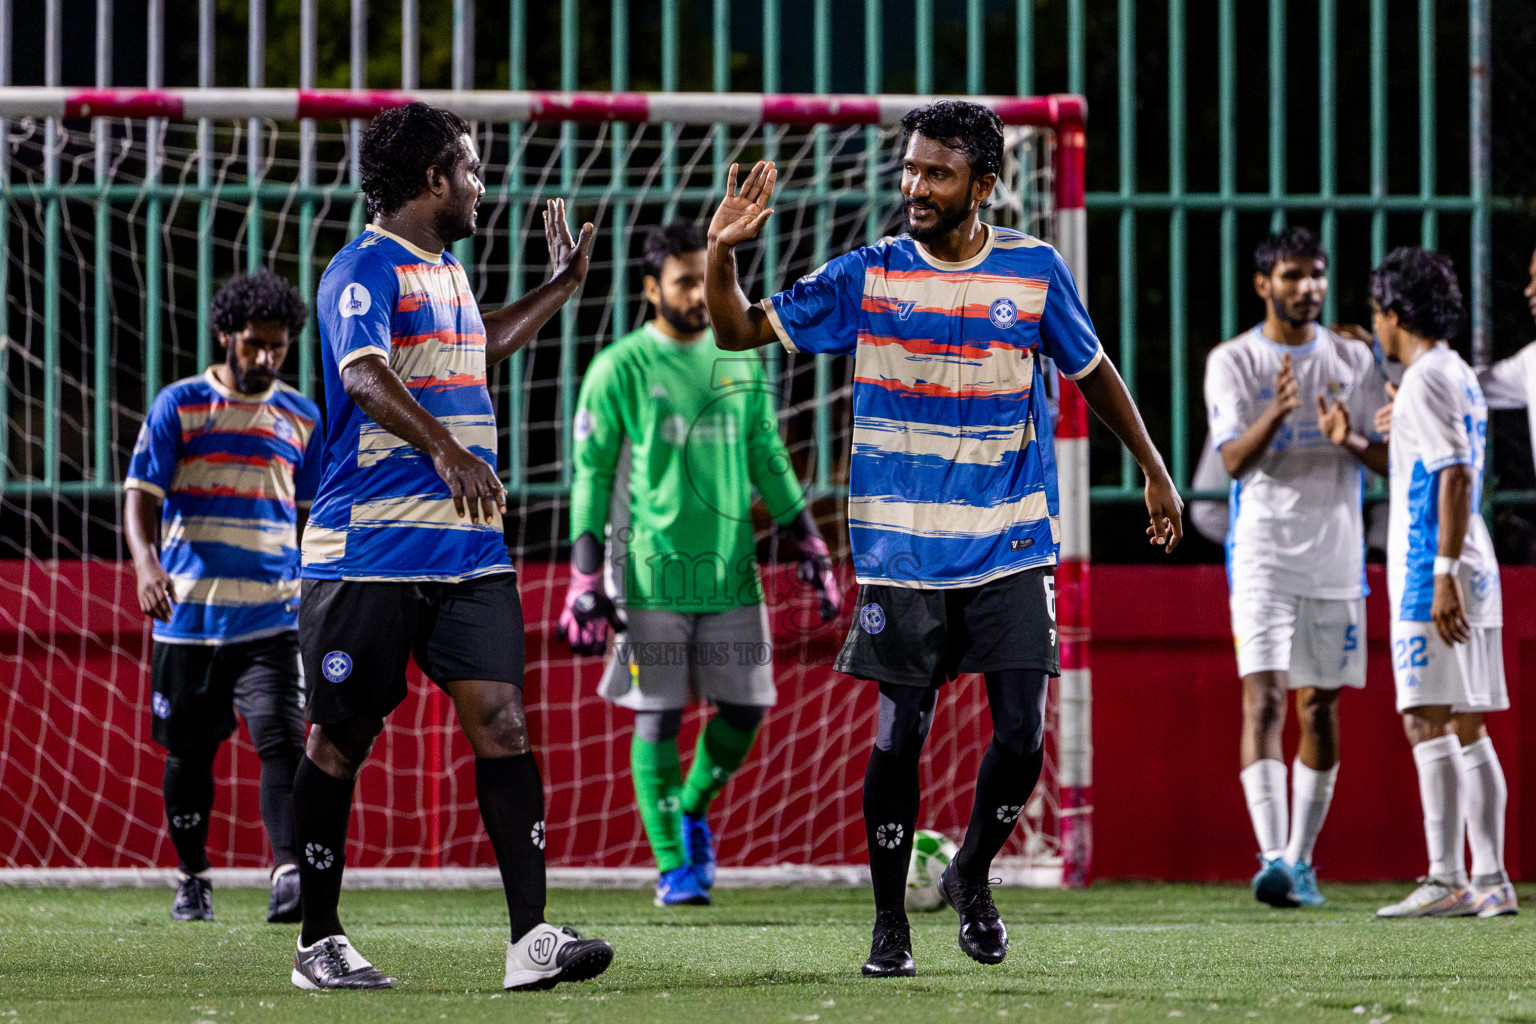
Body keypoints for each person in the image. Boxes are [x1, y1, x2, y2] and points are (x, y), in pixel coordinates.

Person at [703, 99, 1182, 977]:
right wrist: (723, 250)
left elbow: (1094, 370)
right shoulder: (868, 275)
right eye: (911, 170)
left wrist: (1152, 467)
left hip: (1009, 540)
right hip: (902, 549)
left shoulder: (1035, 272)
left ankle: (969, 872)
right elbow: (735, 330)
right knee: (899, 734)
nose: (914, 187)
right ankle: (891, 923)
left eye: (937, 174)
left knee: (1023, 734)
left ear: (984, 186)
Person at [292, 102, 614, 991]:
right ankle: (318, 940)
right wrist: (445, 448)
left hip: (466, 553)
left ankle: (530, 941)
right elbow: (363, 375)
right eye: (471, 169)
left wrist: (560, 286)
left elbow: (479, 351)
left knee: (504, 724)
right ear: (434, 178)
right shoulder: (361, 270)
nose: (483, 185)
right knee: (338, 741)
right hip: (367, 554)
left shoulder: (449, 272)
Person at [559, 221, 840, 907]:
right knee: (656, 720)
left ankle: (690, 806)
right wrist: (585, 577)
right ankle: (674, 867)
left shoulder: (739, 358)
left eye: (703, 278)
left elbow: (768, 458)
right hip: (648, 579)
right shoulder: (618, 368)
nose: (697, 292)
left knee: (745, 710)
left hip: (730, 574)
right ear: (653, 289)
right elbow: (591, 479)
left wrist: (812, 544)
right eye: (684, 280)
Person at [124, 271, 319, 925]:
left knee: (282, 739)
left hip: (272, 614)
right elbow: (139, 497)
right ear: (226, 336)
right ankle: (193, 877)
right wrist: (147, 565)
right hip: (191, 618)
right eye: (253, 344)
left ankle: (288, 872)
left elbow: (317, 514)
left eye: (277, 347)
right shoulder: (178, 404)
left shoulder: (302, 416)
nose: (264, 358)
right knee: (189, 754)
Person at [1203, 228, 1388, 909]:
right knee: (1265, 700)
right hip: (1262, 557)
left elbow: (1390, 456)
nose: (1306, 287)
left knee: (1320, 706)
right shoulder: (1234, 361)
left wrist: (1353, 439)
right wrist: (1278, 413)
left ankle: (1300, 862)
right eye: (1291, 276)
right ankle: (1271, 857)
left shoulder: (1353, 355)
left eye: (1315, 275)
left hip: (1336, 558)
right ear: (1263, 285)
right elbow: (1230, 462)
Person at [1371, 247, 1516, 919]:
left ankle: (1449, 877)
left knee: (1425, 718)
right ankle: (1486, 878)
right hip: (1466, 562)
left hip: (1436, 569)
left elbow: (1453, 474)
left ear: (1395, 314)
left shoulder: (1425, 380)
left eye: (1376, 312)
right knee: (1465, 723)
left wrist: (1442, 576)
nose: (1373, 325)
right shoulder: (1451, 372)